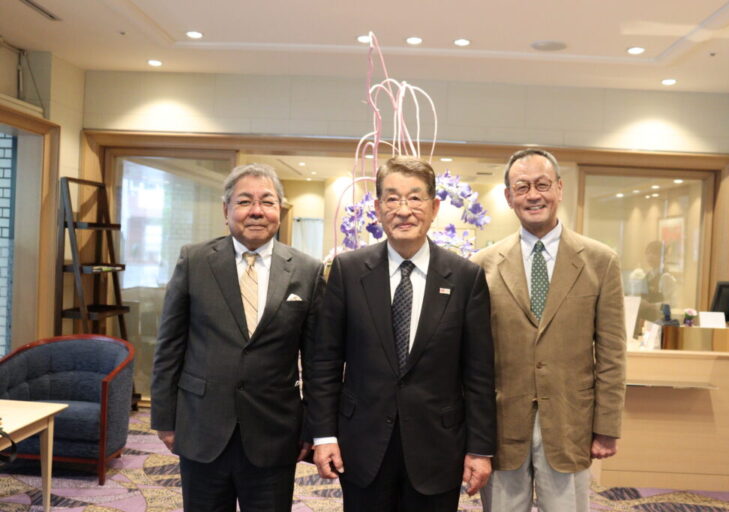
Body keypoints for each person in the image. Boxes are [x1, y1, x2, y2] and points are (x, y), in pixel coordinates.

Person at [308, 156, 496, 511]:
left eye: (415, 198)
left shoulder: (465, 277)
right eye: (392, 199)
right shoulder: (348, 272)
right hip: (362, 444)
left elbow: (479, 373)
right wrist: (324, 435)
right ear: (378, 208)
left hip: (438, 446)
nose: (404, 210)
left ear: (435, 206)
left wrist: (480, 448)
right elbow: (325, 362)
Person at [150, 163, 325, 512]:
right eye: (245, 201)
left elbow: (319, 361)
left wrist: (314, 427)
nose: (257, 211)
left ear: (280, 209)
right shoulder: (195, 260)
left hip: (274, 431)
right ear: (226, 209)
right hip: (202, 425)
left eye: (267, 201)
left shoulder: (307, 270)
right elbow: (169, 346)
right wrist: (165, 419)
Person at [471, 148, 626, 512]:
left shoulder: (601, 261)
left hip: (571, 420)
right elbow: (473, 358)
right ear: (509, 197)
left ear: (559, 188)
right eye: (522, 187)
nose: (533, 195)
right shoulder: (482, 266)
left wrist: (608, 425)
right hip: (501, 421)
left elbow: (612, 352)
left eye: (542, 184)